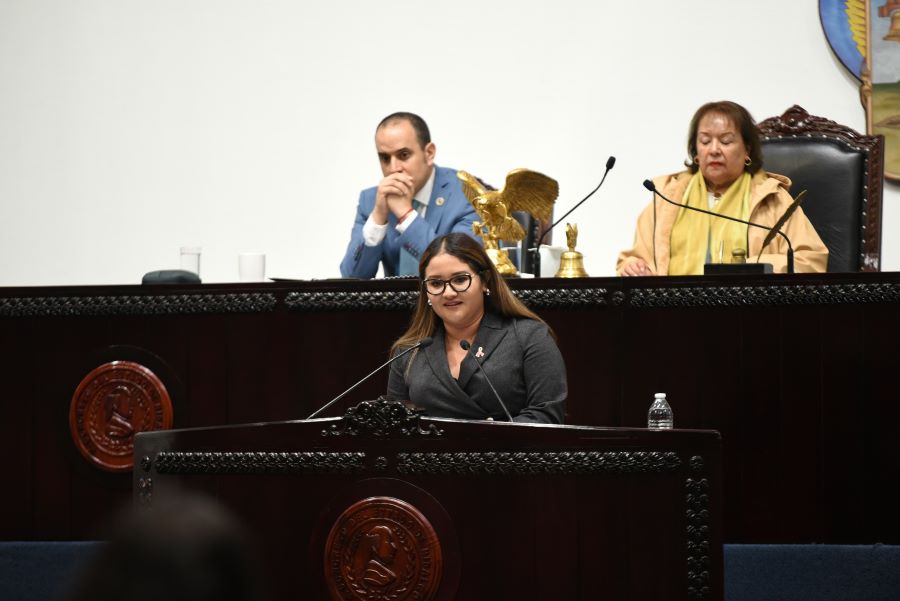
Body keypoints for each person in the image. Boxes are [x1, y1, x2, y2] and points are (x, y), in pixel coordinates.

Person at [617, 101, 828, 276]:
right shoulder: (668, 197)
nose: (714, 150)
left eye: (726, 141)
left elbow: (810, 260)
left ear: (747, 149)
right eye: (705, 141)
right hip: (675, 314)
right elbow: (635, 258)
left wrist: (753, 268)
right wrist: (634, 268)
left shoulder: (771, 197)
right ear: (696, 152)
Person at [386, 232, 566, 423]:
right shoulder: (408, 350)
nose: (448, 292)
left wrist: (491, 437)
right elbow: (394, 425)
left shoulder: (530, 337)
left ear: (485, 281)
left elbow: (548, 415)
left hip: (509, 451)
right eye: (436, 283)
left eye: (460, 280)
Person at [340, 112, 479, 278]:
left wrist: (407, 216)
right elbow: (351, 279)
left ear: (429, 153)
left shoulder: (468, 194)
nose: (393, 168)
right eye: (385, 158)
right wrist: (377, 219)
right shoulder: (371, 201)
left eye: (403, 155)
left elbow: (457, 273)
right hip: (394, 304)